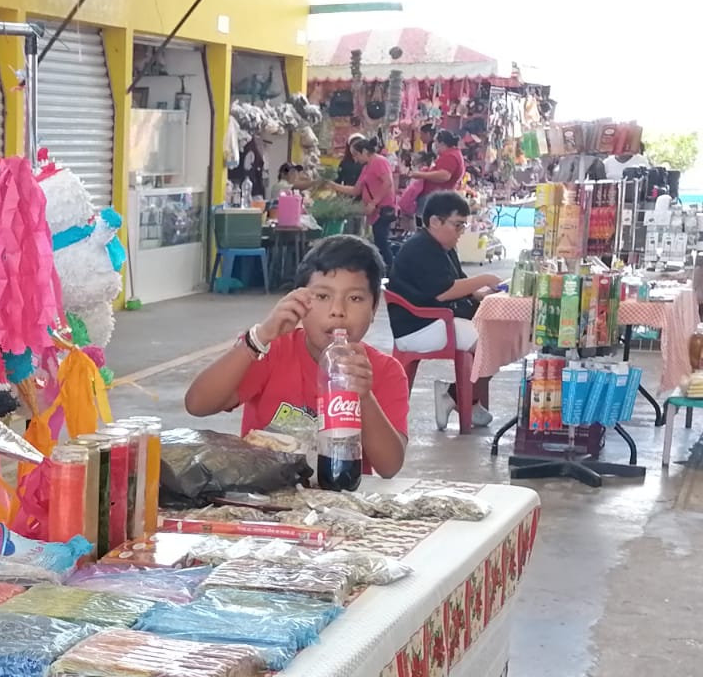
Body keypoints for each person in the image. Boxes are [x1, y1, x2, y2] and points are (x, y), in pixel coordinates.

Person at [185, 234, 409, 476]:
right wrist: (259, 338)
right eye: (323, 297)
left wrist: (364, 397)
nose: (338, 311)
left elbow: (389, 467)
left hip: (339, 504)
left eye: (355, 298)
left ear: (374, 308)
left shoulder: (384, 371)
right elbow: (197, 404)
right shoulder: (272, 350)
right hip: (266, 494)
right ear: (300, 302)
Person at [387, 190, 502, 429]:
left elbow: (459, 282)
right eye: (457, 225)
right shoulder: (421, 248)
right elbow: (444, 291)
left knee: (497, 336)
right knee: (491, 346)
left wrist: (479, 294)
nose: (461, 232)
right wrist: (483, 279)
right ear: (434, 221)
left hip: (440, 319)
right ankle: (459, 397)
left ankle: (464, 399)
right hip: (420, 325)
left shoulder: (442, 247)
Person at [346, 136, 396, 268]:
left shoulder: (379, 161)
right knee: (379, 242)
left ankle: (390, 271)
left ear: (364, 151)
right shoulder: (366, 167)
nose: (355, 159)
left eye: (356, 155)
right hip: (375, 211)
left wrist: (374, 202)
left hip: (382, 210)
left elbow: (388, 183)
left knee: (382, 243)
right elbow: (356, 190)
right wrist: (332, 185)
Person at [413, 130, 466, 217]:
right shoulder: (451, 154)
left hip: (436, 198)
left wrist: (420, 175)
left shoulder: (450, 156)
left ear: (442, 143)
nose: (434, 144)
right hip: (436, 196)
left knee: (425, 225)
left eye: (435, 141)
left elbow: (444, 176)